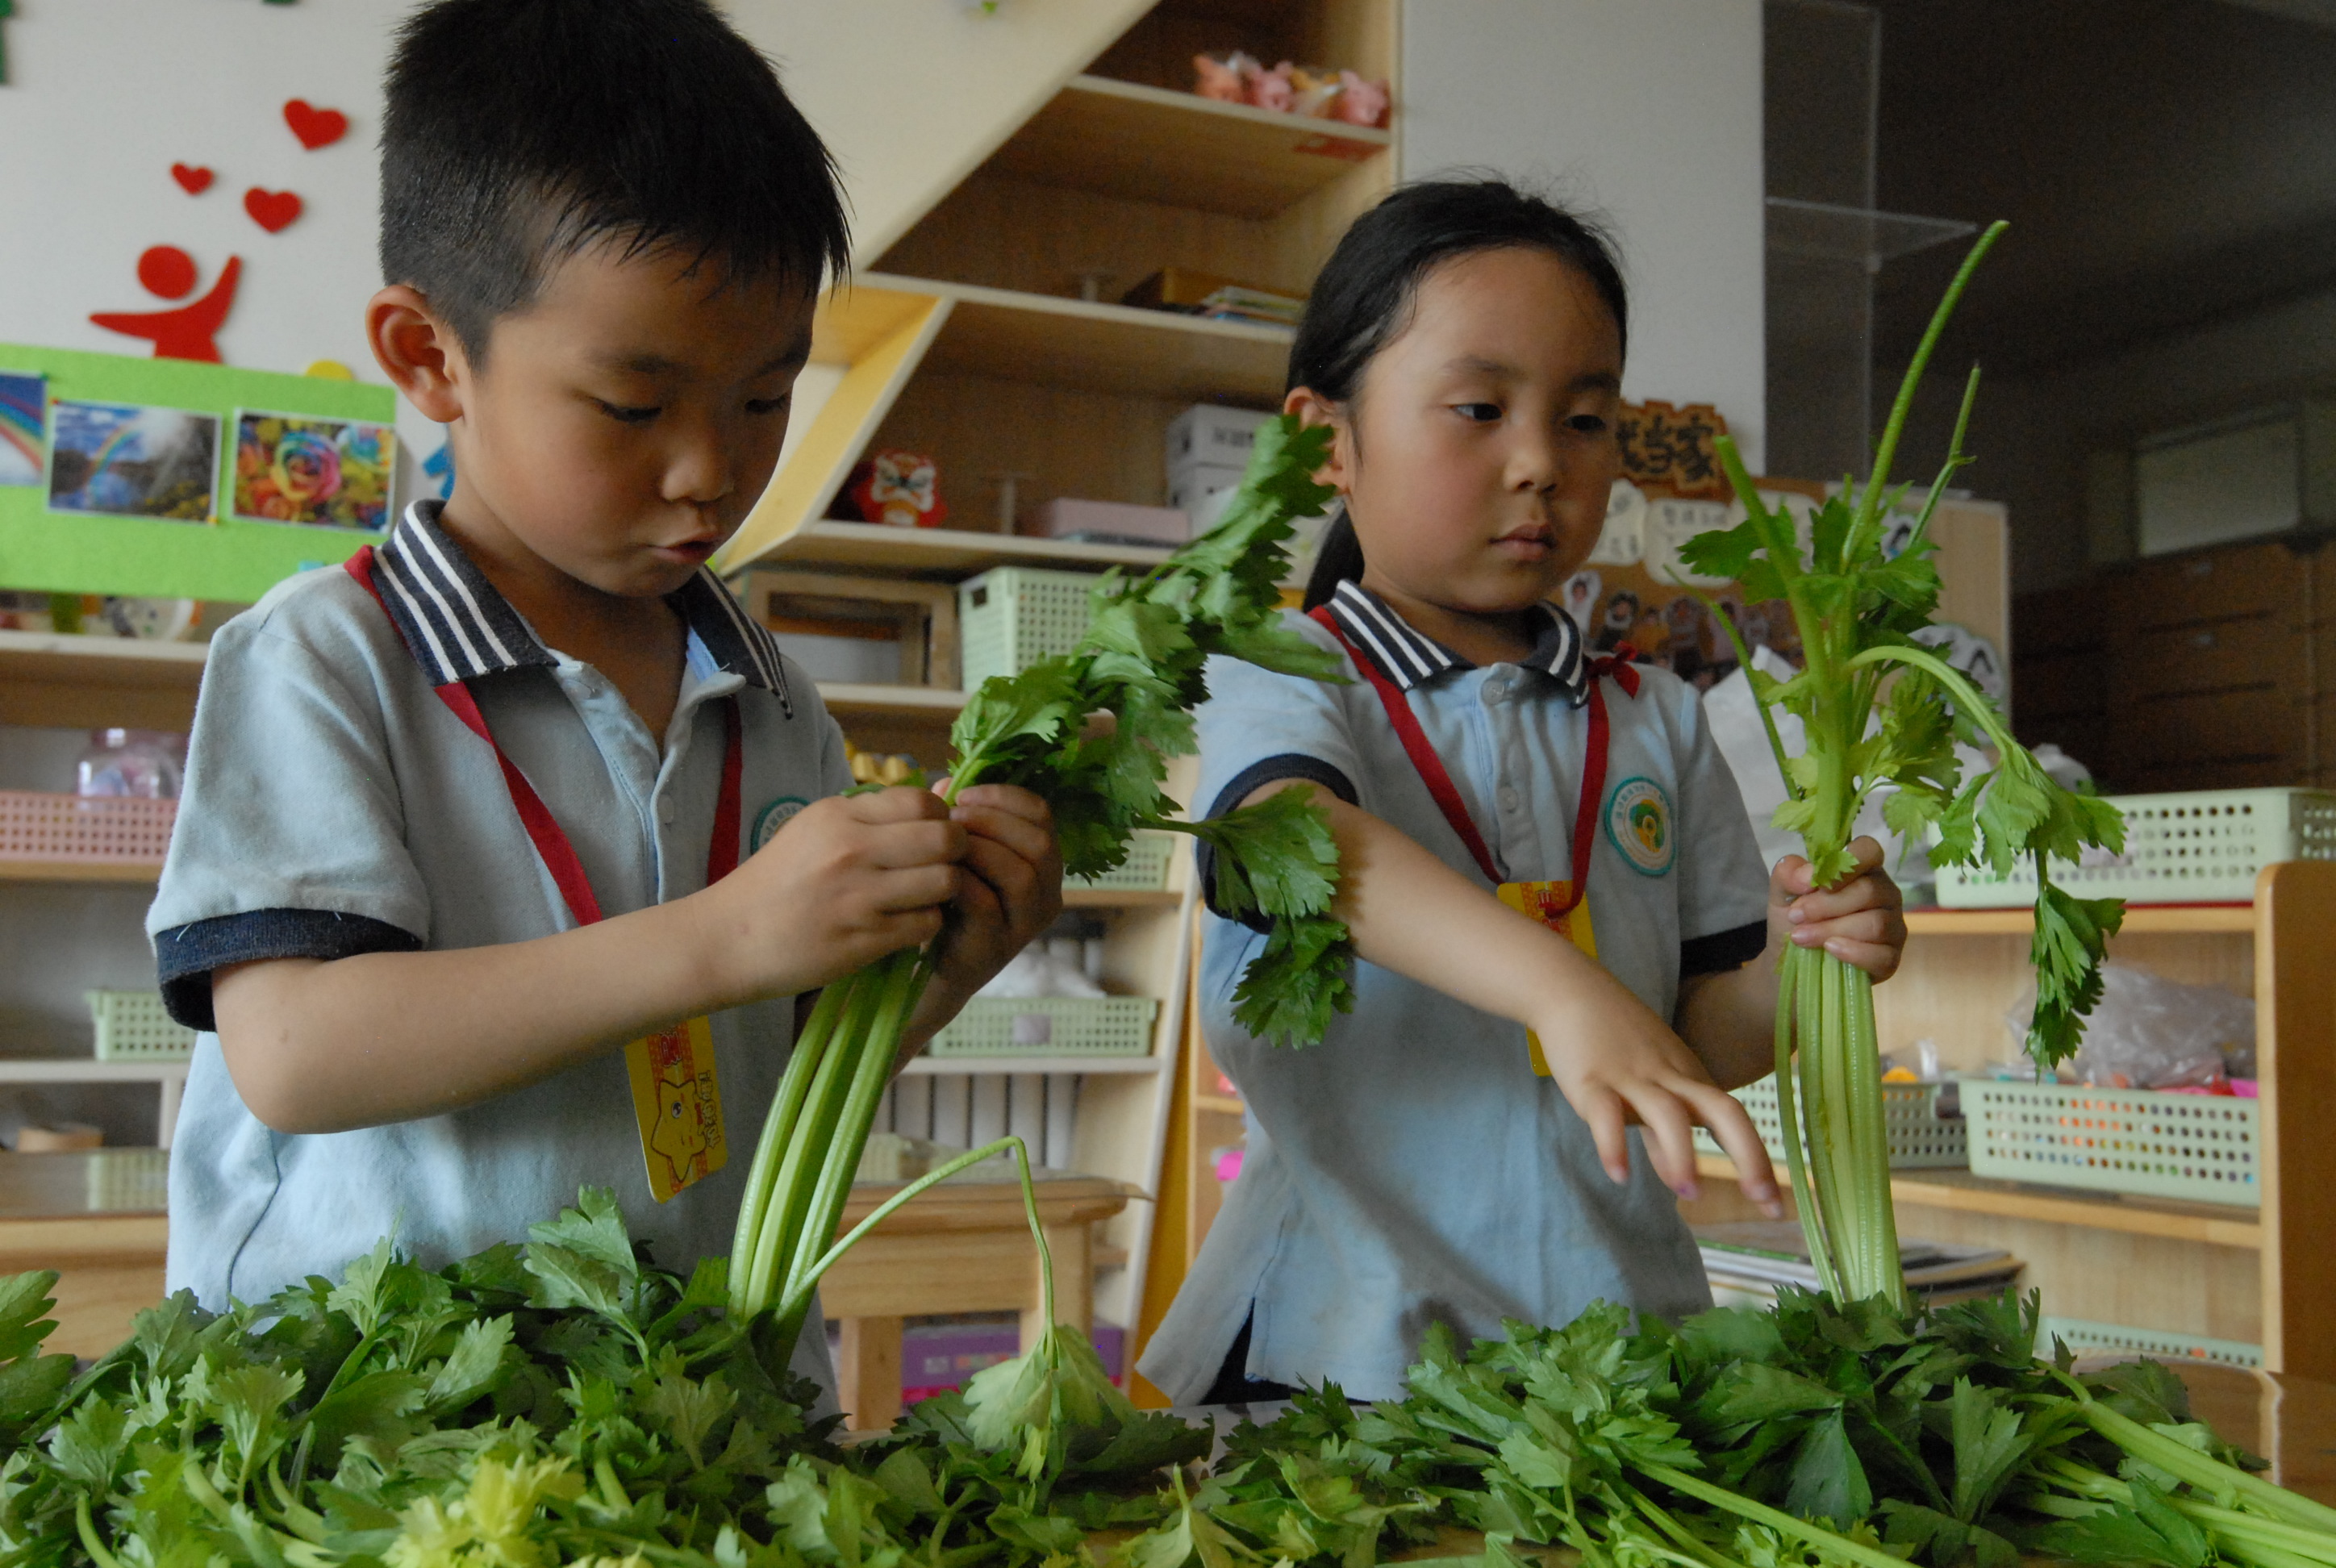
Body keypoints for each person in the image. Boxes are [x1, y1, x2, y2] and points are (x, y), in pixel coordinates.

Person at [146, 0, 1062, 1401]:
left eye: (765, 400)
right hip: (367, 1450)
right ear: (429, 356)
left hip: (689, 1417)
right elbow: (294, 1052)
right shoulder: (325, 657)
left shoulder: (769, 699)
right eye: (635, 407)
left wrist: (923, 985)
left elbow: (768, 1062)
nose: (710, 469)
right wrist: (721, 937)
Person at [1137, 181, 1908, 1405]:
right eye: (1479, 409)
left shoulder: (1658, 716)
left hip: (1610, 1356)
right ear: (1321, 442)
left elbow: (1700, 1036)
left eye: (1588, 419)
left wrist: (1804, 962)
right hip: (1334, 1353)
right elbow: (1290, 837)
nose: (1541, 463)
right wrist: (1563, 989)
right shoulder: (1279, 671)